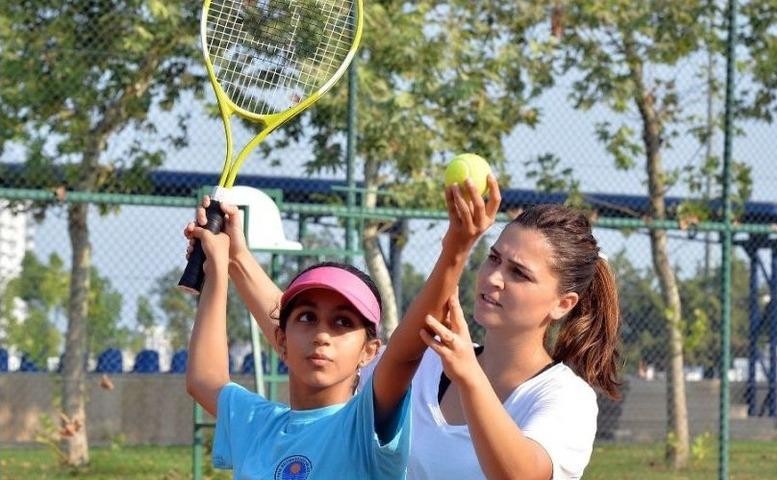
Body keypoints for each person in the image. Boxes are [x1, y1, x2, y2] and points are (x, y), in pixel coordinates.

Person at [188, 174, 620, 479]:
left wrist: (469, 376)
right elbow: (308, 340)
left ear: (564, 304)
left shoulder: (565, 398)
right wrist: (235, 260)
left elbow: (520, 475)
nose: (492, 278)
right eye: (492, 258)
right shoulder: (431, 367)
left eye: (519, 273)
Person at [185, 221, 412, 478]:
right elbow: (204, 380)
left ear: (369, 351)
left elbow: (406, 354)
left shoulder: (364, 427)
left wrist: (454, 251)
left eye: (343, 322)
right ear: (281, 340)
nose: (322, 335)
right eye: (307, 317)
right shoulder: (258, 425)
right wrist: (217, 267)